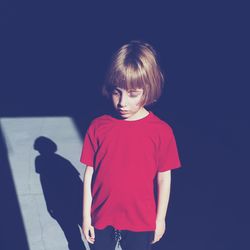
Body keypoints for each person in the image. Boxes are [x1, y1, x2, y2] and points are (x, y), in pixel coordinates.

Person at [80, 40, 181, 250]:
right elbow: (90, 173)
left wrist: (160, 219)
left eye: (133, 94)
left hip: (141, 220)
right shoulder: (98, 127)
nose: (122, 102)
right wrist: (86, 216)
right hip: (101, 216)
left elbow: (164, 178)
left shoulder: (161, 131)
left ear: (149, 89)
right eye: (117, 92)